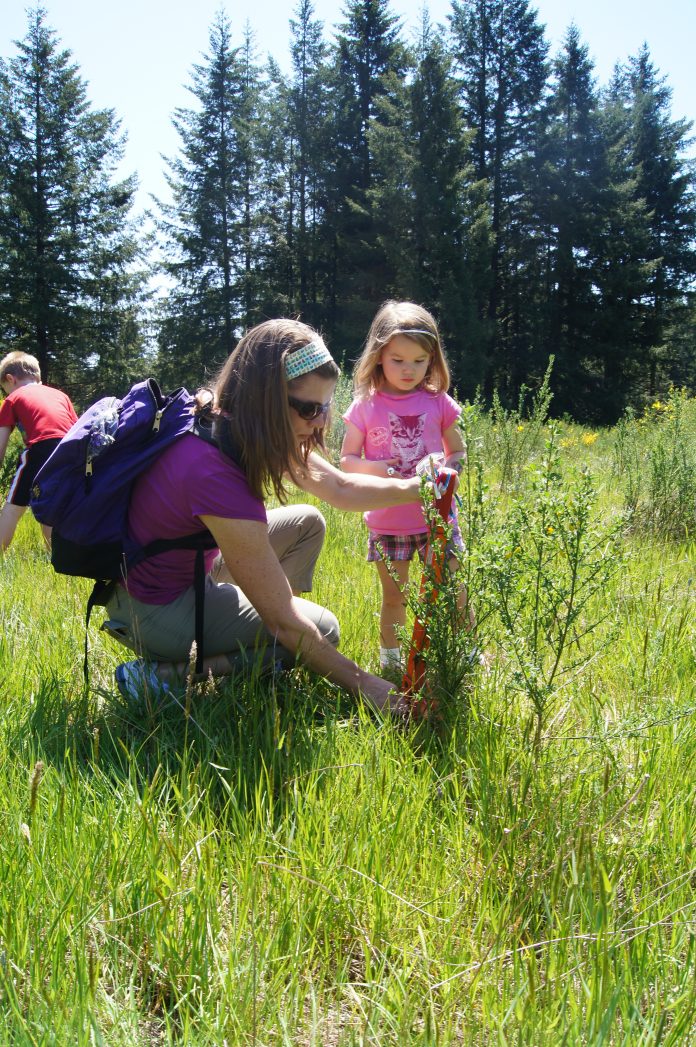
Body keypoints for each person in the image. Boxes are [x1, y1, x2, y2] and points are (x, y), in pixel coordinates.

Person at [106, 318, 432, 716]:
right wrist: (371, 688)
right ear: (268, 400)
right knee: (321, 631)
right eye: (310, 408)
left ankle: (269, 647)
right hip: (153, 610)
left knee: (306, 522)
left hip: (181, 571)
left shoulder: (230, 422)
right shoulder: (213, 471)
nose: (321, 421)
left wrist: (419, 488)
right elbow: (283, 621)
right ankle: (164, 676)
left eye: (326, 405)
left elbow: (341, 489)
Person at [340, 301, 472, 673]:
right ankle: (393, 665)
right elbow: (347, 460)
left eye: (419, 360)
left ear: (433, 359)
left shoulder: (438, 402)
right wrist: (379, 467)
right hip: (387, 523)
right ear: (379, 355)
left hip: (437, 518)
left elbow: (457, 450)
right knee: (394, 598)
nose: (408, 369)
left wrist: (447, 470)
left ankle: (466, 658)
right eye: (398, 359)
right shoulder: (364, 405)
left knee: (455, 593)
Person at [0, 351, 78, 552]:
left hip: (40, 448)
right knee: (50, 504)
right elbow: (79, 428)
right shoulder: (61, 395)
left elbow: (1, 442)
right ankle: (55, 556)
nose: (6, 394)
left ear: (11, 379)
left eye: (5, 389)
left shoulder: (13, 398)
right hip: (70, 450)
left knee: (13, 507)